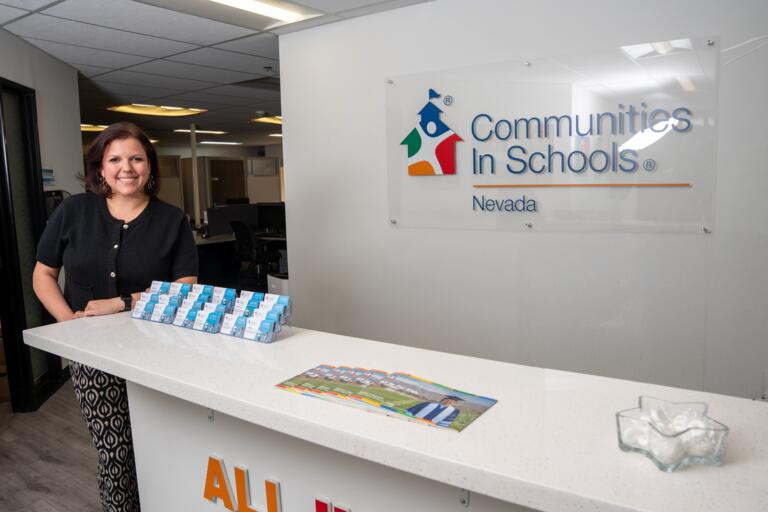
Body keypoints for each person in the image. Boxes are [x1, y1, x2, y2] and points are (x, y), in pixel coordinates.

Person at [32, 122, 198, 511]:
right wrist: (69, 325)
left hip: (158, 352)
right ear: (101, 168)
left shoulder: (172, 220)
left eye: (137, 158)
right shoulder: (74, 210)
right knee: (117, 453)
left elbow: (185, 288)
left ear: (150, 167)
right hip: (92, 356)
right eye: (116, 159)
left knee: (160, 446)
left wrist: (123, 302)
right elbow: (43, 274)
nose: (127, 167)